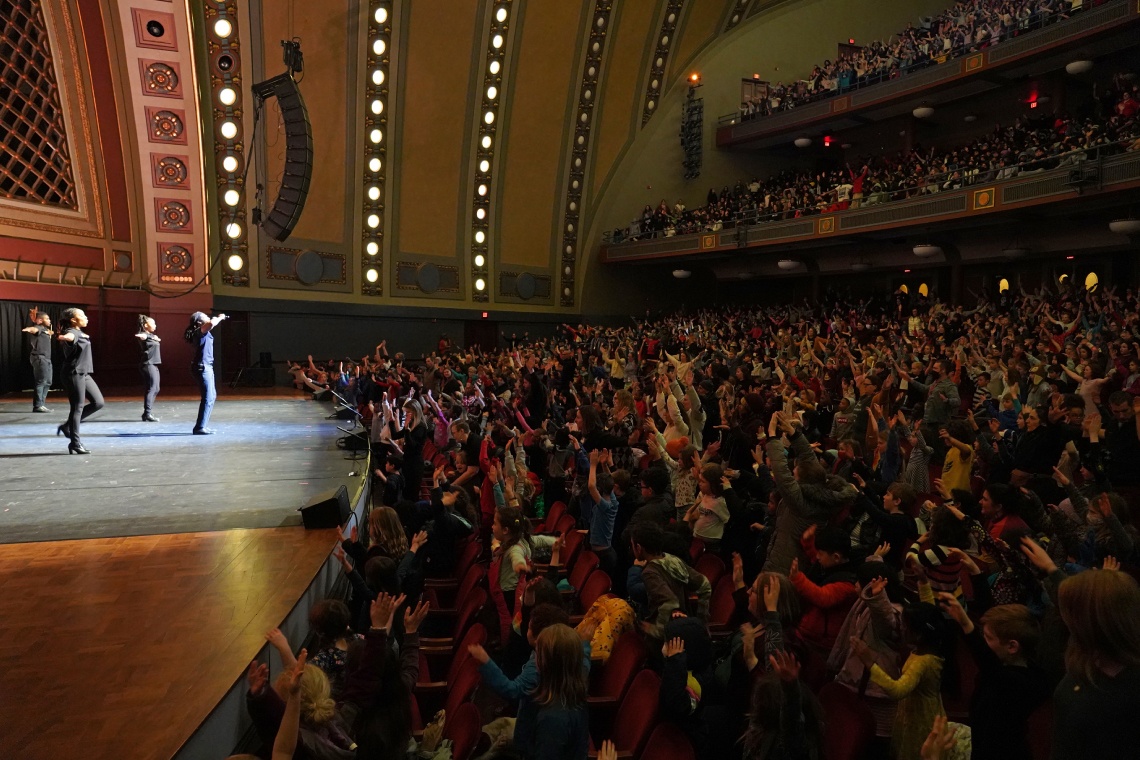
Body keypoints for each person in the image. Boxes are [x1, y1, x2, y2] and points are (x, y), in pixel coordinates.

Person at [514, 623, 591, 760]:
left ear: (546, 663)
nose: (534, 657)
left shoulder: (553, 719)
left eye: (538, 653)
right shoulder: (573, 691)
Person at [56, 307, 104, 455]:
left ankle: (66, 427)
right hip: (73, 373)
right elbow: (69, 337)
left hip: (84, 373)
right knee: (77, 408)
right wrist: (64, 337)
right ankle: (75, 444)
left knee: (98, 403)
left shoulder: (81, 332)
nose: (86, 317)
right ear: (73, 320)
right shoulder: (72, 332)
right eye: (82, 315)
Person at [184, 311, 227, 434]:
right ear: (199, 322)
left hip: (207, 366)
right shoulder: (199, 332)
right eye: (205, 317)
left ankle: (202, 426)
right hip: (202, 367)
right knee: (208, 397)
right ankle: (199, 427)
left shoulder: (203, 332)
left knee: (212, 396)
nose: (208, 318)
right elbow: (211, 323)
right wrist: (220, 317)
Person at [21, 307, 53, 412]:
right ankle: (38, 405)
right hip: (39, 358)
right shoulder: (38, 328)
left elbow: (48, 332)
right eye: (47, 319)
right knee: (41, 381)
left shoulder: (45, 330)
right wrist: (28, 329)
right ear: (40, 320)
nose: (49, 320)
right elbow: (34, 329)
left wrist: (50, 333)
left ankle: (41, 404)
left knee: (48, 382)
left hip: (46, 359)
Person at [135, 314, 161, 422]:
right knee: (151, 388)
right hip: (148, 364)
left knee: (156, 388)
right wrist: (151, 337)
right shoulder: (143, 335)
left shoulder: (150, 335)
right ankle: (147, 413)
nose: (155, 325)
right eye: (153, 323)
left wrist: (153, 337)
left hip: (153, 364)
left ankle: (147, 413)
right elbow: (140, 336)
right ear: (146, 325)